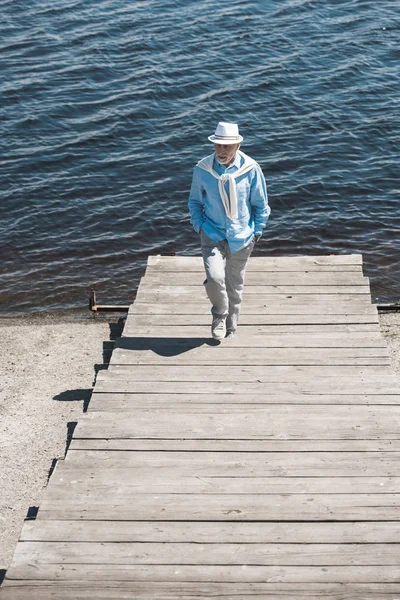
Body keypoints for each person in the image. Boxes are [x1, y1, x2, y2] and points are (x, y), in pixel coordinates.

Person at [188, 121, 270, 340]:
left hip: (242, 237)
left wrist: (257, 232)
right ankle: (219, 315)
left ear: (238, 145)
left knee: (234, 286)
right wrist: (199, 226)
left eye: (227, 146)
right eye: (218, 146)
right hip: (212, 233)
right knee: (214, 278)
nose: (222, 151)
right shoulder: (203, 169)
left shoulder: (251, 169)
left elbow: (260, 205)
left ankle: (231, 328)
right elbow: (195, 202)